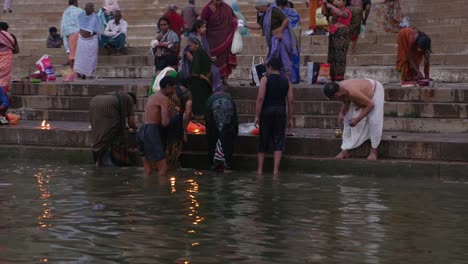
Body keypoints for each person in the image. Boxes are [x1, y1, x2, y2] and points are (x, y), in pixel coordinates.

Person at [323, 78, 384, 160]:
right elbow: (346, 101)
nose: (337, 99)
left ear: (337, 93)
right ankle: (345, 150)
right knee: (347, 118)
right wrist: (342, 114)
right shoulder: (340, 89)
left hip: (375, 90)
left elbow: (370, 105)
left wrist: (357, 119)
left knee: (374, 121)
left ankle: (374, 151)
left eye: (336, 97)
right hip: (360, 89)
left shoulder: (352, 92)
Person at [254, 58, 294, 176]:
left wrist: (257, 115)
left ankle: (259, 171)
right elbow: (291, 101)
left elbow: (260, 98)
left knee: (263, 140)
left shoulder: (265, 79)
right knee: (279, 140)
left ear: (269, 67)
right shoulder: (287, 81)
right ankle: (275, 172)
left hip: (267, 111)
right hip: (281, 112)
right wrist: (290, 118)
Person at [246, 0, 298, 83]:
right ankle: (278, 80)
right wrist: (244, 25)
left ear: (263, 6)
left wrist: (280, 31)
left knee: (284, 58)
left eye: (259, 9)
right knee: (273, 58)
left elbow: (286, 20)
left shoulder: (274, 10)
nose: (258, 11)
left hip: (281, 38)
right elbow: (259, 25)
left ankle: (287, 81)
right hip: (273, 40)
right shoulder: (264, 14)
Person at [138, 76, 176, 177]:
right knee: (163, 169)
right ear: (168, 87)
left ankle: (146, 190)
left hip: (142, 130)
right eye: (173, 88)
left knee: (147, 170)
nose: (173, 91)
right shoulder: (164, 99)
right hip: (152, 131)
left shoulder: (152, 96)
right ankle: (161, 192)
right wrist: (172, 116)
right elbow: (164, 122)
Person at [89, 91, 138, 167]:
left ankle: (99, 163)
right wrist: (137, 128)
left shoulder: (114, 97)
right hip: (109, 140)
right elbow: (131, 123)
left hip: (94, 101)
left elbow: (112, 119)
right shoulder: (129, 99)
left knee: (102, 136)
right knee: (110, 165)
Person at [200, 0, 238, 86]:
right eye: (217, 0)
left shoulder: (226, 8)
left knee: (225, 59)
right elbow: (202, 24)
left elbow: (233, 18)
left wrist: (235, 22)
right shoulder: (207, 9)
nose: (219, 2)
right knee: (213, 60)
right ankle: (212, 81)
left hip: (226, 38)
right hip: (212, 40)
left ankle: (224, 79)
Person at [181, 19, 222, 91]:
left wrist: (210, 58)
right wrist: (196, 63)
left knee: (215, 71)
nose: (205, 29)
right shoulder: (192, 38)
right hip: (196, 64)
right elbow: (187, 52)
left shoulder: (203, 38)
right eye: (203, 27)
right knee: (213, 71)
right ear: (198, 28)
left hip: (204, 62)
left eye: (205, 27)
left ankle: (212, 91)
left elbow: (205, 53)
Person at [205, 86, 238, 172]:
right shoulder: (229, 98)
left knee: (214, 135)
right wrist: (234, 133)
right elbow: (234, 122)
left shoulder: (210, 99)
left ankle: (213, 163)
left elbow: (208, 121)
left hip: (214, 111)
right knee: (227, 134)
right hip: (228, 110)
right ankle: (227, 163)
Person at [65, 2, 101, 81]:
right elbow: (79, 27)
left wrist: (87, 32)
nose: (92, 8)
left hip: (92, 40)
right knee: (81, 58)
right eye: (90, 6)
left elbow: (95, 29)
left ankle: (90, 74)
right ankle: (81, 74)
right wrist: (83, 33)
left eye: (92, 6)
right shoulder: (80, 16)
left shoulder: (95, 17)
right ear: (85, 8)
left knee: (91, 58)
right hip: (82, 40)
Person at [322, 0, 352, 82]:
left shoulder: (347, 11)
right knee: (332, 56)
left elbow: (342, 14)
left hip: (342, 34)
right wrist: (324, 4)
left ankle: (339, 77)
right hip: (334, 34)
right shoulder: (334, 10)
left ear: (344, 2)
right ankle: (332, 76)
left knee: (340, 56)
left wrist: (331, 6)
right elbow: (325, 13)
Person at [186, 36, 213, 123]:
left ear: (197, 45)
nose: (190, 48)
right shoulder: (203, 52)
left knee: (199, 103)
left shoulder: (197, 52)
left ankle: (199, 122)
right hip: (205, 83)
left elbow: (196, 71)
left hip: (199, 83)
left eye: (191, 46)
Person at [276, 0, 301, 83]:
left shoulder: (279, 13)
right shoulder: (294, 12)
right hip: (295, 40)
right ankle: (295, 78)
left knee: (284, 58)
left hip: (284, 38)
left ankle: (285, 78)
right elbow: (298, 26)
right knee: (294, 58)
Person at [60, 0, 83, 69]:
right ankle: (74, 70)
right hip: (76, 33)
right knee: (74, 53)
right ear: (75, 2)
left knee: (70, 51)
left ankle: (70, 62)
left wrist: (62, 35)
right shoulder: (79, 10)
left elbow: (62, 24)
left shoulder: (65, 11)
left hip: (66, 33)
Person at [0, 22, 18, 93]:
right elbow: (16, 50)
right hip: (7, 59)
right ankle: (4, 100)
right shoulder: (12, 36)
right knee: (4, 79)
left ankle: (4, 101)